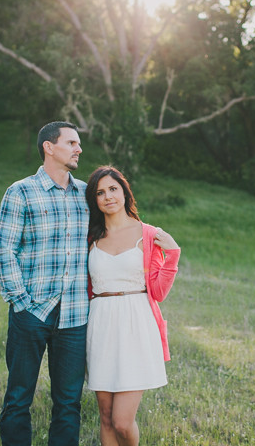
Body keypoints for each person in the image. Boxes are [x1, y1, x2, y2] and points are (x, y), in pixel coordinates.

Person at [0, 121, 90, 446]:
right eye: (72, 143)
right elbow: (5, 250)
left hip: (75, 317)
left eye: (78, 144)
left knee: (68, 404)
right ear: (49, 147)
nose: (79, 149)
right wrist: (21, 303)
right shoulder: (20, 191)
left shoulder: (86, 195)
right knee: (19, 399)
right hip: (31, 313)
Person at [84, 166, 181, 446]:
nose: (108, 196)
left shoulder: (148, 235)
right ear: (95, 200)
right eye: (100, 192)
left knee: (122, 423)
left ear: (125, 193)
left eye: (113, 189)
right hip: (100, 325)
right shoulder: (91, 237)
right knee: (105, 417)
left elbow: (159, 292)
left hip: (136, 326)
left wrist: (172, 255)